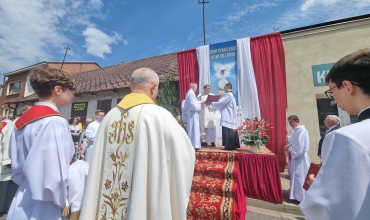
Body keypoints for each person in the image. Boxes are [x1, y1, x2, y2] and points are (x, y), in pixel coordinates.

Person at [79, 68, 195, 220]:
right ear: (153, 87)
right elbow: (184, 153)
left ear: (131, 87)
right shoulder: (159, 115)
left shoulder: (109, 117)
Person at [300, 49, 370, 219]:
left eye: (332, 92)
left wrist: (321, 190)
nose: (333, 100)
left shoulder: (348, 137)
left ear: (347, 86)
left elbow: (336, 211)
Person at [7, 67, 75, 220]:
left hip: (24, 194)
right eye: (71, 90)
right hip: (46, 204)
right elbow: (55, 174)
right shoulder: (54, 121)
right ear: (57, 90)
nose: (73, 94)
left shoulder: (21, 122)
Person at [285, 115, 311, 202]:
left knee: (300, 176)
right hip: (294, 156)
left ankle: (302, 196)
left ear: (296, 121)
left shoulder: (302, 131)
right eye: (289, 122)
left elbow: (301, 146)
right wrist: (288, 145)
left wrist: (290, 148)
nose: (290, 124)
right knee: (294, 176)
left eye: (291, 122)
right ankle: (295, 194)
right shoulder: (292, 131)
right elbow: (292, 142)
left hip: (300, 158)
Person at [209, 83, 239, 150]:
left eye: (224, 87)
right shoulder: (231, 94)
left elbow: (220, 102)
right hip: (229, 115)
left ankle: (229, 146)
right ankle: (231, 145)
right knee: (230, 129)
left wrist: (211, 102)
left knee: (227, 129)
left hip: (228, 115)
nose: (223, 88)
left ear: (228, 87)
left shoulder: (228, 95)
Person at [183, 82, 203, 150]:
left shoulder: (189, 93)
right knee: (194, 129)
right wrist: (200, 102)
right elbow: (193, 105)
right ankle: (194, 145)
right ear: (194, 87)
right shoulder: (191, 93)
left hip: (191, 112)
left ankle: (194, 144)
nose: (196, 89)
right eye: (196, 87)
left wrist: (198, 102)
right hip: (192, 113)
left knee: (193, 128)